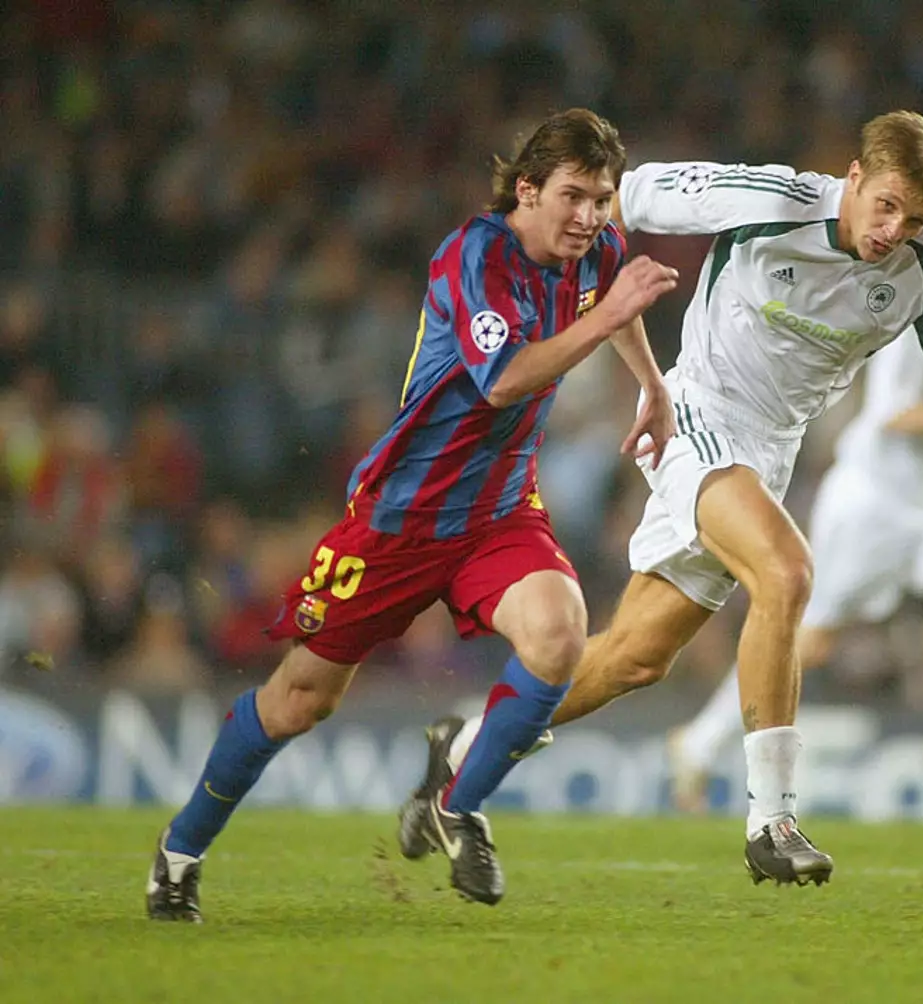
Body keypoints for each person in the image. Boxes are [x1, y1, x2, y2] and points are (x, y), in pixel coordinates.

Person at [401, 111, 923, 887]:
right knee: (787, 572)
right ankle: (772, 820)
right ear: (853, 175)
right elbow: (618, 200)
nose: (894, 229)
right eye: (886, 204)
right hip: (698, 415)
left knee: (634, 658)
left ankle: (463, 747)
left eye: (915, 218)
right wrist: (544, 277)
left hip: (769, 454)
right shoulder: (767, 200)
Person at [146, 108, 680, 921]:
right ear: (527, 189)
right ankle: (180, 851)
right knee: (300, 700)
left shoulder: (593, 247)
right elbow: (505, 381)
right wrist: (607, 320)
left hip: (499, 509)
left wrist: (651, 381)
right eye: (573, 196)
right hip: (402, 517)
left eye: (604, 198)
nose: (591, 216)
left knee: (561, 631)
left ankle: (455, 804)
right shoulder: (475, 257)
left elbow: (614, 290)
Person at [666, 197, 923, 808]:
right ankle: (701, 742)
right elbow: (892, 418)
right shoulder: (919, 310)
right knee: (808, 639)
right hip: (871, 502)